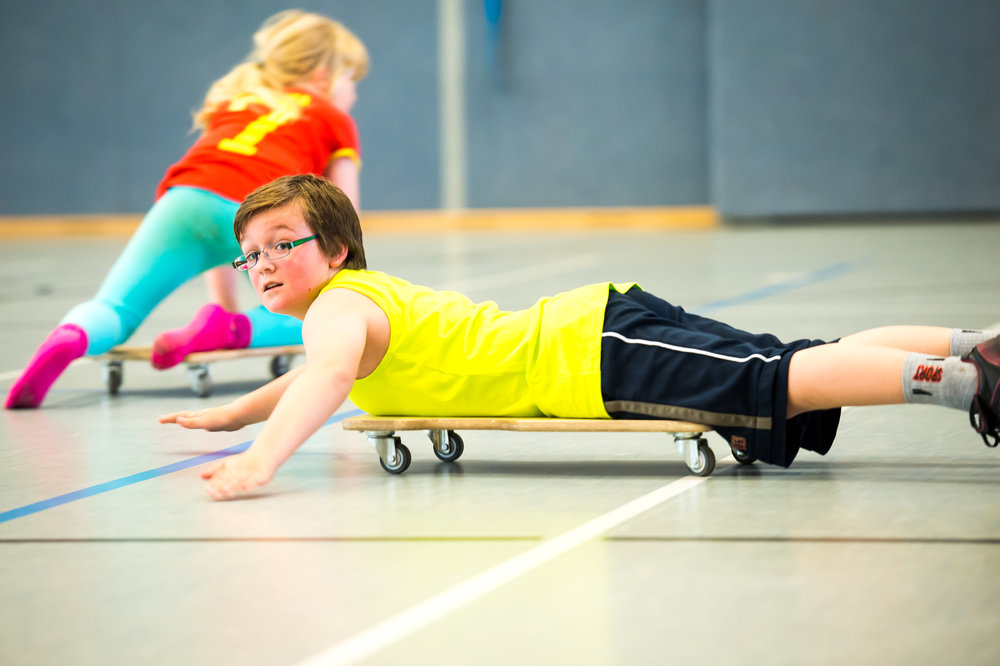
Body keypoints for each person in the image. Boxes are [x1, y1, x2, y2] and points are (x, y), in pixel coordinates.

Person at [159, 174, 1000, 501]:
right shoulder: (348, 305)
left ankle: (974, 386)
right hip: (596, 327)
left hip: (588, 357)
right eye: (250, 253)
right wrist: (234, 415)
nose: (261, 263)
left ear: (334, 250)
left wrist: (261, 458)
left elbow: (328, 377)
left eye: (280, 245)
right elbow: (312, 372)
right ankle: (977, 345)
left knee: (772, 384)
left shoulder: (339, 309)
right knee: (797, 360)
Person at [5, 10, 368, 409]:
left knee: (115, 308)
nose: (352, 92)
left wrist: (223, 306)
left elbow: (221, 212)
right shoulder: (333, 118)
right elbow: (343, 212)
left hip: (183, 199)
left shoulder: (239, 101)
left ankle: (72, 336)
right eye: (351, 79)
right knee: (328, 306)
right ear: (322, 74)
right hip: (256, 210)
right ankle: (235, 329)